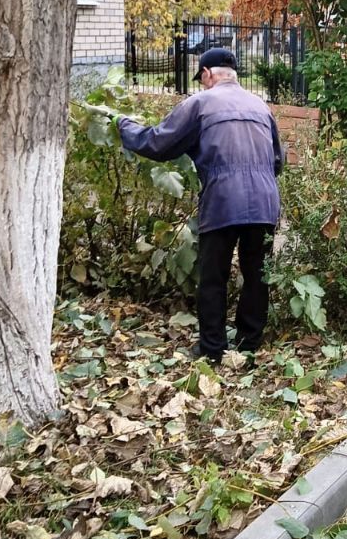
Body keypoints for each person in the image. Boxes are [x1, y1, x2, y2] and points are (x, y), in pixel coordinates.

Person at [115, 48, 284, 363]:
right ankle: (249, 345)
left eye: (201, 79)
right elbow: (278, 160)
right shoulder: (261, 106)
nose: (202, 85)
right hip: (264, 200)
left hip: (223, 200)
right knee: (257, 274)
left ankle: (213, 350)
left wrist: (124, 126)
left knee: (213, 277)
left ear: (207, 74)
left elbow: (158, 143)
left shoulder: (200, 104)